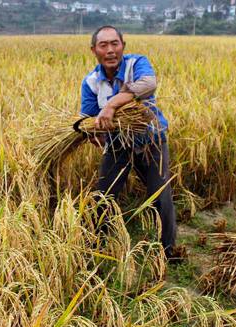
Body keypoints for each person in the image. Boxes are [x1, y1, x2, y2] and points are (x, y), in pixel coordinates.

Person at [80, 25, 177, 260]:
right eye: (104, 45)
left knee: (159, 194)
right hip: (117, 145)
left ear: (123, 46)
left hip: (150, 140)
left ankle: (168, 251)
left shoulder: (137, 64)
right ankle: (95, 245)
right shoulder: (91, 82)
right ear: (94, 50)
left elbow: (148, 84)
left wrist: (112, 106)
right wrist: (93, 132)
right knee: (103, 196)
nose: (110, 50)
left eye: (115, 44)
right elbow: (88, 117)